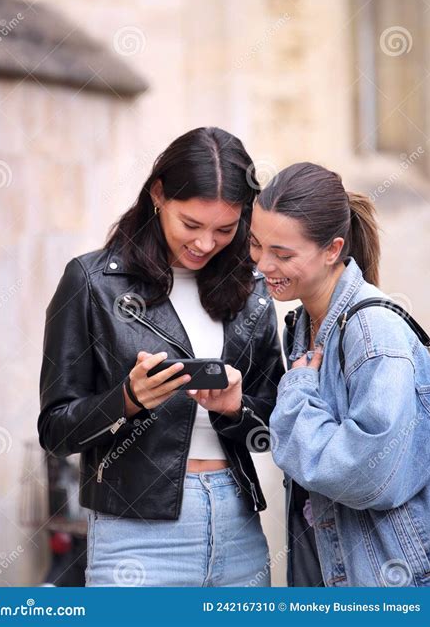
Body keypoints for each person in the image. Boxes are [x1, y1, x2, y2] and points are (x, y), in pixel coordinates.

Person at [38, 127, 285, 587]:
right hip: (136, 535)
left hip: (238, 526)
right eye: (190, 225)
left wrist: (236, 410)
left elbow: (275, 429)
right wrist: (128, 399)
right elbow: (55, 432)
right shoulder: (92, 282)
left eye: (225, 230)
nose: (206, 243)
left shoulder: (253, 288)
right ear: (158, 195)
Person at [249, 161, 430, 587]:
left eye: (282, 254)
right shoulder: (303, 322)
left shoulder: (372, 332)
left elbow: (368, 474)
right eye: (256, 245)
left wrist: (295, 394)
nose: (261, 265)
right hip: (328, 571)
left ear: (332, 250)